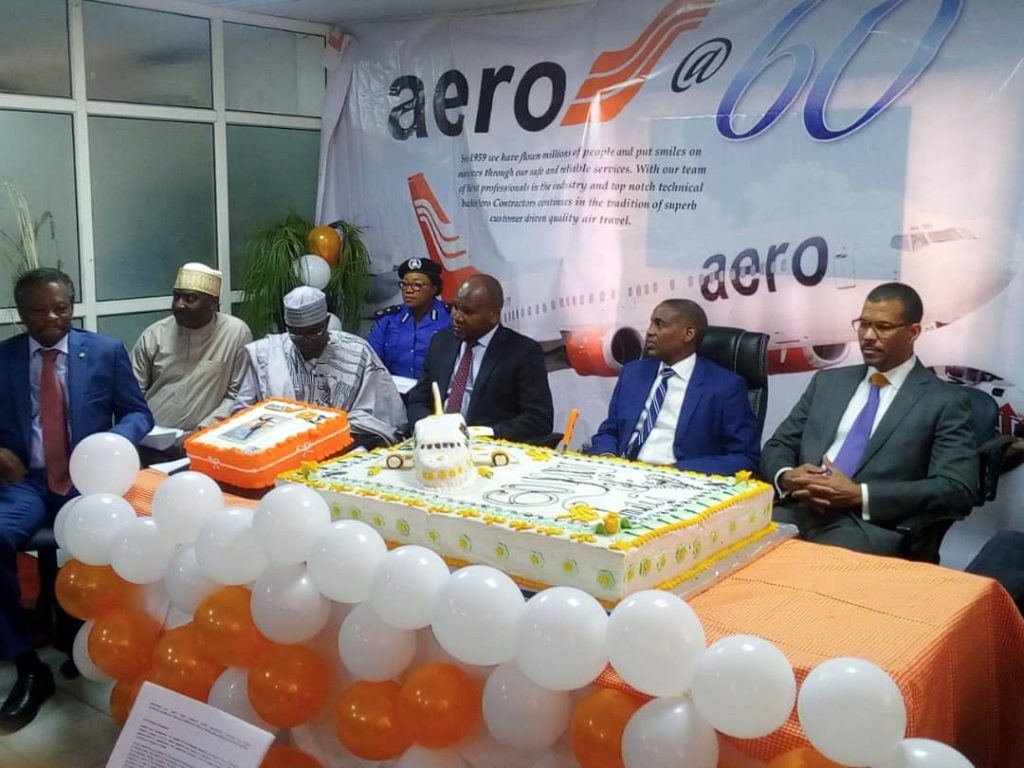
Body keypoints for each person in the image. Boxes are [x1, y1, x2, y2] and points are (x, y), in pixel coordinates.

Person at [0, 268, 153, 733]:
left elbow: (138, 414)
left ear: (72, 305)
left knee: (121, 545)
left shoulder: (103, 351)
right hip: (25, 481)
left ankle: (89, 636)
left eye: (61, 308)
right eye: (39, 310)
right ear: (20, 312)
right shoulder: (4, 357)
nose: (51, 318)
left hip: (89, 482)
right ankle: (28, 661)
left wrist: (109, 444)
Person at [760, 282, 977, 555]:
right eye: (863, 325)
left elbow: (956, 490)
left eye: (883, 327)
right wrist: (788, 477)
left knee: (810, 580)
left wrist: (859, 494)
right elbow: (778, 445)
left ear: (913, 332)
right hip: (795, 509)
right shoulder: (828, 382)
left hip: (865, 527)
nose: (868, 336)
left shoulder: (944, 401)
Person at [587, 299, 760, 474]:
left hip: (676, 481)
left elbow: (744, 456)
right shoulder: (633, 373)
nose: (649, 332)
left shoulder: (725, 386)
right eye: (651, 323)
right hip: (619, 473)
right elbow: (609, 431)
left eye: (659, 325)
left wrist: (675, 471)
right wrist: (607, 457)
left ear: (688, 334)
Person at [234, 286, 405, 447]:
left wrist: (328, 432)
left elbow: (379, 415)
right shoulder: (266, 353)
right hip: (280, 447)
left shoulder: (357, 351)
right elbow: (244, 413)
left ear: (327, 321)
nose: (305, 341)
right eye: (296, 333)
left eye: (314, 332)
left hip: (345, 445)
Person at [406, 274, 554, 442]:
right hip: (435, 442)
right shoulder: (441, 342)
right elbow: (419, 398)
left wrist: (482, 433)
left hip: (489, 449)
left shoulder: (522, 352)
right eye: (455, 307)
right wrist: (429, 426)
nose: (457, 317)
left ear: (493, 316)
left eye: (468, 312)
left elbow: (539, 419)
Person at [130, 263, 251, 458]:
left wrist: (202, 432)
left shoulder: (235, 333)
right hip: (150, 442)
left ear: (213, 303)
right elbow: (132, 394)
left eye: (190, 298)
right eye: (176, 296)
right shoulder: (154, 335)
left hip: (206, 442)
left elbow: (236, 394)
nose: (179, 305)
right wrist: (141, 429)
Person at [368, 257, 451, 380]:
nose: (408, 290)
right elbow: (372, 361)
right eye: (404, 284)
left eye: (417, 285)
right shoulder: (389, 319)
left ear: (434, 289)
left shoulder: (450, 319)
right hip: (394, 392)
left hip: (434, 394)